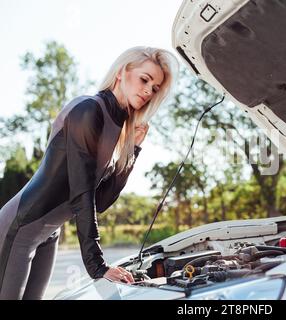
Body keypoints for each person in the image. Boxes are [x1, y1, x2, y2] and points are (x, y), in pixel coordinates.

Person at [0, 46, 178, 299]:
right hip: (19, 229)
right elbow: (81, 193)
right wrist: (98, 266)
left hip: (50, 232)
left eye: (155, 88)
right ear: (121, 73)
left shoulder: (119, 129)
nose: (149, 91)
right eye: (144, 79)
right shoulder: (88, 110)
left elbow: (101, 201)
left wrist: (134, 150)